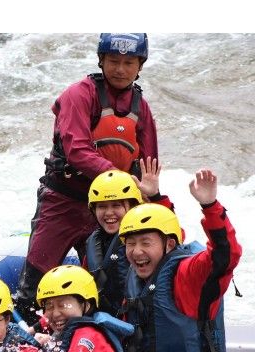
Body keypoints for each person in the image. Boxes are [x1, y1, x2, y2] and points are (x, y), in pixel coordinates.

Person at [15, 33, 158, 326]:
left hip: (109, 210)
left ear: (140, 66)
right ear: (101, 61)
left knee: (106, 288)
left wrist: (148, 202)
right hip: (63, 202)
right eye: (113, 61)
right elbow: (77, 150)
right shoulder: (79, 95)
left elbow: (148, 167)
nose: (120, 69)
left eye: (129, 63)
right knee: (34, 284)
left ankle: (101, 338)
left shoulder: (141, 108)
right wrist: (120, 181)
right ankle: (26, 334)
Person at [119, 169, 241, 352]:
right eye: (131, 243)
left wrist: (210, 206)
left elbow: (226, 255)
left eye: (145, 243)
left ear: (168, 245)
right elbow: (171, 231)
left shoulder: (188, 275)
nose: (136, 252)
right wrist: (156, 199)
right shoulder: (141, 274)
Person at [83, 160, 176, 316]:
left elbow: (172, 233)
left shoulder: (149, 236)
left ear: (133, 206)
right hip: (106, 319)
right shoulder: (93, 242)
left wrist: (155, 197)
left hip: (139, 317)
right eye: (102, 206)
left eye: (116, 205)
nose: (109, 213)